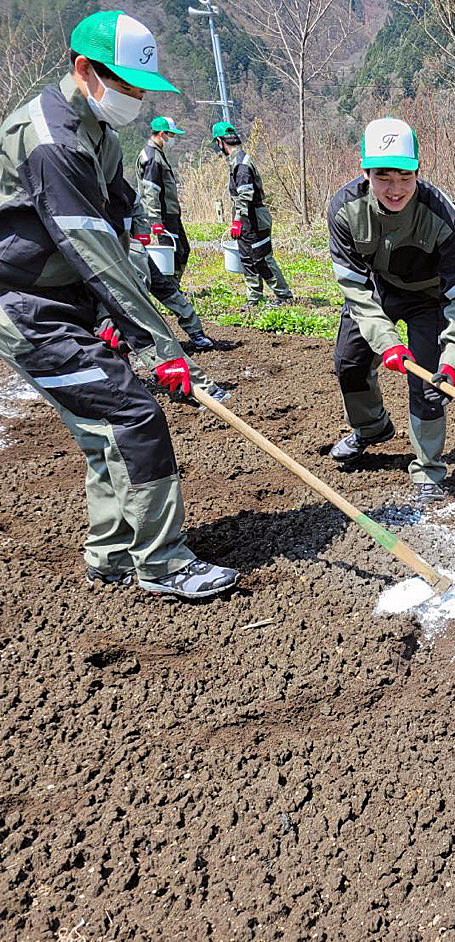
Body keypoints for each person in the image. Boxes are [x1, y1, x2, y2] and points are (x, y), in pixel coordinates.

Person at [0, 10, 238, 599]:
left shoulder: (98, 134)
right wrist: (159, 346)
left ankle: (111, 554)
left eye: (140, 89)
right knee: (132, 414)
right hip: (27, 306)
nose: (135, 98)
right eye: (126, 85)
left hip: (68, 298)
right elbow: (93, 248)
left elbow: (116, 222)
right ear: (85, 70)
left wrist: (112, 316)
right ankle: (163, 563)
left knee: (105, 424)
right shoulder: (52, 142)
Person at [326, 117, 455, 504]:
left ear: (417, 172)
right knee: (349, 362)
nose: (395, 189)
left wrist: (450, 361)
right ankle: (371, 427)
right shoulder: (344, 210)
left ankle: (428, 468)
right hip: (376, 292)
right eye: (383, 177)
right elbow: (354, 288)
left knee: (429, 385)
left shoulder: (445, 217)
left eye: (404, 177)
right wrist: (388, 342)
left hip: (430, 299)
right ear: (365, 172)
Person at [134, 115, 215, 350]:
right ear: (161, 134)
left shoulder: (158, 155)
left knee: (182, 251)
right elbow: (151, 190)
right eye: (170, 135)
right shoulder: (151, 157)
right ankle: (170, 290)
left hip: (171, 213)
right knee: (169, 258)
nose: (172, 139)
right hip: (162, 216)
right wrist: (155, 220)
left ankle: (173, 286)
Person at [210, 120, 294, 308]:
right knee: (247, 258)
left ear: (220, 142)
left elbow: (245, 195)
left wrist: (237, 221)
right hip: (246, 219)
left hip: (254, 217)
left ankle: (284, 296)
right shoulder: (236, 162)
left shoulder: (241, 165)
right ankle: (254, 299)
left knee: (262, 258)